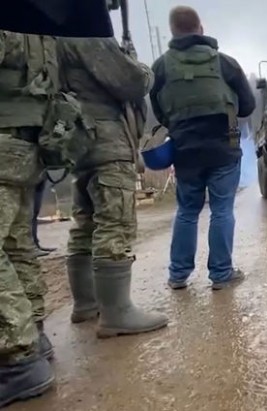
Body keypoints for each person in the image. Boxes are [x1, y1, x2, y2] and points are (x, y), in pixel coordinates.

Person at [57, 30, 169, 338]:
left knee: (86, 221)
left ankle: (85, 303)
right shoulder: (83, 30)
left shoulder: (50, 33)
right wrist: (140, 66)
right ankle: (116, 312)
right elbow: (131, 81)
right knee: (114, 223)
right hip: (106, 139)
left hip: (78, 139)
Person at [149, 6, 256, 291]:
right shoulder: (225, 63)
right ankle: (221, 275)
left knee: (187, 211)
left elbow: (158, 109)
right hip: (224, 148)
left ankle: (178, 275)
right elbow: (248, 105)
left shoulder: (161, 66)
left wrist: (179, 124)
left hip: (185, 151)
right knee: (222, 210)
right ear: (200, 28)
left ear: (173, 31)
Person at [0, 30, 56, 408]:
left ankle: (17, 357)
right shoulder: (37, 21)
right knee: (17, 243)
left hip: (6, 133)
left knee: (16, 242)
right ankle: (31, 336)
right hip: (28, 138)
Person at [32, 172, 57, 257]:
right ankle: (29, 246)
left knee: (34, 212)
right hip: (23, 175)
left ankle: (34, 244)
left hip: (38, 173)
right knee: (28, 213)